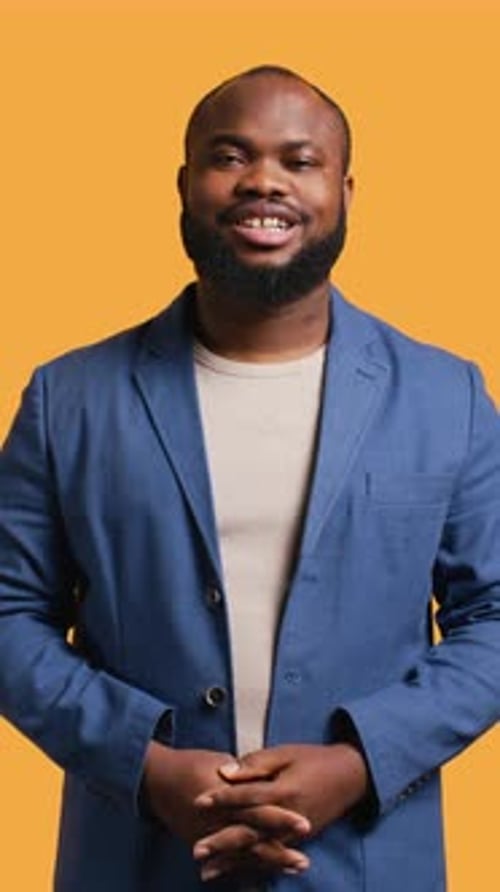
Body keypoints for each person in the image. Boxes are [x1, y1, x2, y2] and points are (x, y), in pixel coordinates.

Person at [0, 64, 499, 892]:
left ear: (344, 188)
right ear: (185, 183)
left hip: (370, 865)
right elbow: (10, 612)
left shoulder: (448, 396)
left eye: (298, 161)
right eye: (230, 157)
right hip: (133, 863)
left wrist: (361, 759)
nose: (263, 180)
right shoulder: (69, 397)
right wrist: (144, 764)